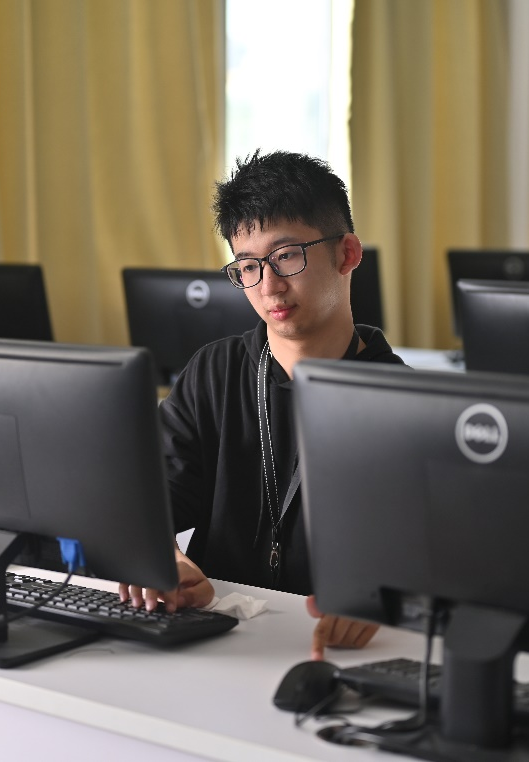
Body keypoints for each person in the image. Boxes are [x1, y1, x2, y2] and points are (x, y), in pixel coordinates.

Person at [120, 150, 407, 659]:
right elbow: (145, 499)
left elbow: (430, 555)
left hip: (334, 649)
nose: (269, 286)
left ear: (347, 254)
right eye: (248, 266)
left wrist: (385, 595)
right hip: (218, 641)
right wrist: (164, 560)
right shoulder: (215, 372)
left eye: (287, 256)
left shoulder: (405, 404)